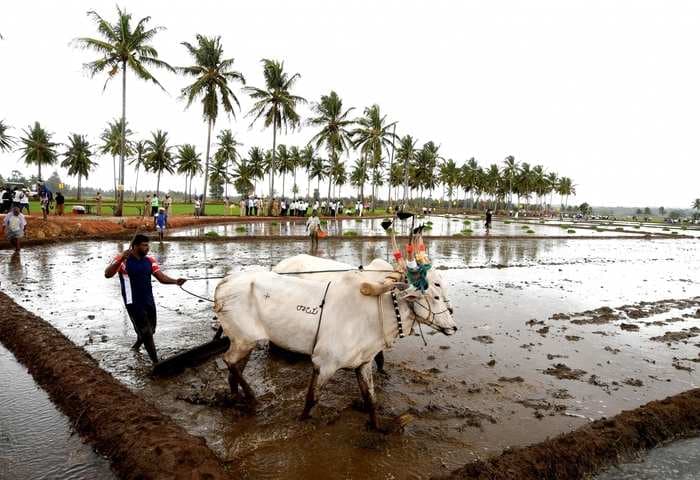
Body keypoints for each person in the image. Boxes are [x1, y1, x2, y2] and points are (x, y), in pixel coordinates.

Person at [104, 234, 186, 363]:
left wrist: (176, 281)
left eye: (148, 245)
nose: (147, 248)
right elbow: (107, 274)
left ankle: (136, 345)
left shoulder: (150, 261)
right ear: (135, 246)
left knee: (151, 330)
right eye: (144, 245)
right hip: (133, 301)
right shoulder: (123, 260)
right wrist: (120, 259)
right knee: (146, 332)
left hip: (148, 299)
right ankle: (156, 363)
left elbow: (161, 277)